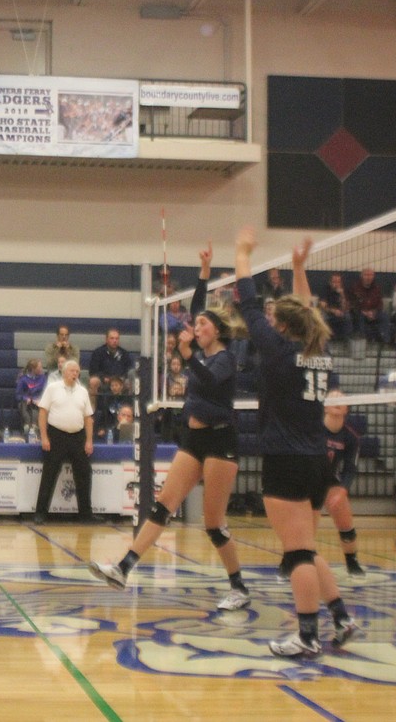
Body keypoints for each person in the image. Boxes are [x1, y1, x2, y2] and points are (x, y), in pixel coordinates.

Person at [90, 241, 253, 611]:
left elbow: (210, 382)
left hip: (221, 441)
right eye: (196, 325)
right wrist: (204, 272)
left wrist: (187, 354)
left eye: (203, 324)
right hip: (193, 438)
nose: (197, 326)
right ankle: (123, 568)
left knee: (213, 524)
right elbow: (197, 308)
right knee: (163, 505)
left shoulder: (225, 359)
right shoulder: (203, 346)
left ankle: (239, 586)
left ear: (217, 331)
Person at [234, 227, 358, 657]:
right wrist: (299, 269)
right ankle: (340, 616)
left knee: (298, 554)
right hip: (316, 462)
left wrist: (242, 254)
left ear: (282, 326)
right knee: (304, 546)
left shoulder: (280, 351)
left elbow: (248, 303)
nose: (268, 324)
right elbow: (306, 312)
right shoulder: (316, 348)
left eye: (274, 321)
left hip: (286, 459)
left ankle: (306, 636)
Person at [34, 359, 96, 525]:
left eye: (77, 371)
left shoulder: (83, 391)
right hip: (56, 436)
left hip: (78, 436)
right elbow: (42, 413)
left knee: (84, 474)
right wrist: (44, 437)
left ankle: (86, 514)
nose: (75, 374)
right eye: (72, 371)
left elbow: (88, 418)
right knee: (49, 474)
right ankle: (40, 513)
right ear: (64, 372)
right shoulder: (52, 388)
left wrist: (89, 441)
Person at [322, 392, 365, 578]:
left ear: (347, 408)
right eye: (333, 399)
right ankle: (288, 561)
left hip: (330, 479)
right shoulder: (313, 428)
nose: (337, 402)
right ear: (325, 406)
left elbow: (350, 468)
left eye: (342, 400)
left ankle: (352, 561)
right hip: (307, 477)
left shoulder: (351, 437)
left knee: (344, 518)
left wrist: (342, 491)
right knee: (301, 523)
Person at [348, 267, 390, 344]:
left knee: (385, 316)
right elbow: (352, 303)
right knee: (360, 317)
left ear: (373, 276)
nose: (368, 277)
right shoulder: (355, 287)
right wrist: (364, 312)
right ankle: (363, 341)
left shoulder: (377, 288)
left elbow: (380, 304)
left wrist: (373, 312)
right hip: (360, 312)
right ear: (361, 276)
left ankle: (385, 340)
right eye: (366, 275)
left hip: (374, 312)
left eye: (371, 275)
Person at [88, 327, 134, 395]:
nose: (114, 341)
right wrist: (104, 378)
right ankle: (93, 405)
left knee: (130, 382)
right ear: (106, 339)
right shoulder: (98, 352)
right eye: (112, 338)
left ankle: (129, 404)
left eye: (117, 338)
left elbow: (129, 370)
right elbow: (93, 371)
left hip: (120, 381)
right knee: (93, 381)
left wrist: (121, 379)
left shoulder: (124, 354)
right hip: (104, 381)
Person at [15, 358, 47, 435]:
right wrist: (26, 398)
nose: (42, 369)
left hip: (38, 402)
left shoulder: (43, 378)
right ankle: (27, 425)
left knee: (36, 409)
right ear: (33, 369)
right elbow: (18, 395)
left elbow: (46, 392)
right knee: (24, 406)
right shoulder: (23, 379)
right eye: (39, 368)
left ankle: (34, 426)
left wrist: (39, 400)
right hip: (26, 403)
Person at [318, 272, 352, 342]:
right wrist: (333, 311)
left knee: (347, 316)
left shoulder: (343, 290)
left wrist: (342, 295)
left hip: (340, 312)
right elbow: (322, 305)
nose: (336, 284)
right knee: (323, 317)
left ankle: (346, 339)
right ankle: (324, 339)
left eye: (338, 282)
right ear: (330, 282)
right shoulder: (325, 289)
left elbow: (346, 307)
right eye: (334, 282)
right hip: (328, 312)